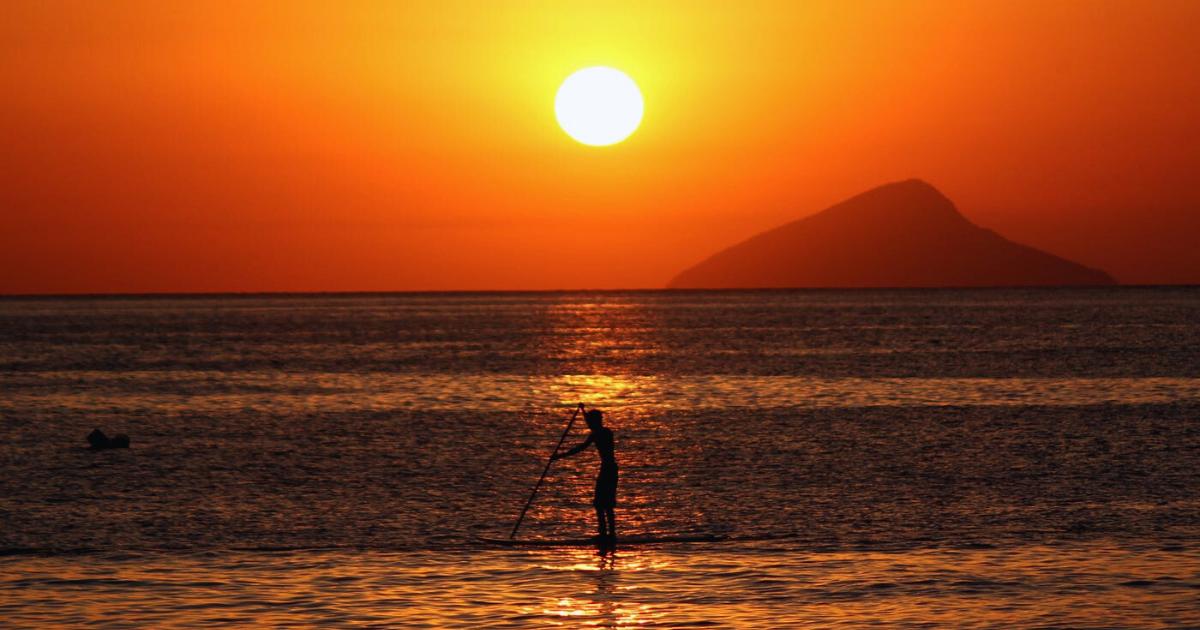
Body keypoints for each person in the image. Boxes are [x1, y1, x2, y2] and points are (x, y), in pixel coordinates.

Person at [552, 408, 618, 542]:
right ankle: (605, 534)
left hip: (609, 470)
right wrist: (583, 411)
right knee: (600, 503)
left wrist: (560, 456)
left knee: (604, 503)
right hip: (607, 468)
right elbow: (591, 425)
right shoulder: (600, 432)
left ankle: (609, 535)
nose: (588, 424)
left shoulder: (602, 433)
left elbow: (581, 448)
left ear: (596, 422)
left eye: (590, 422)